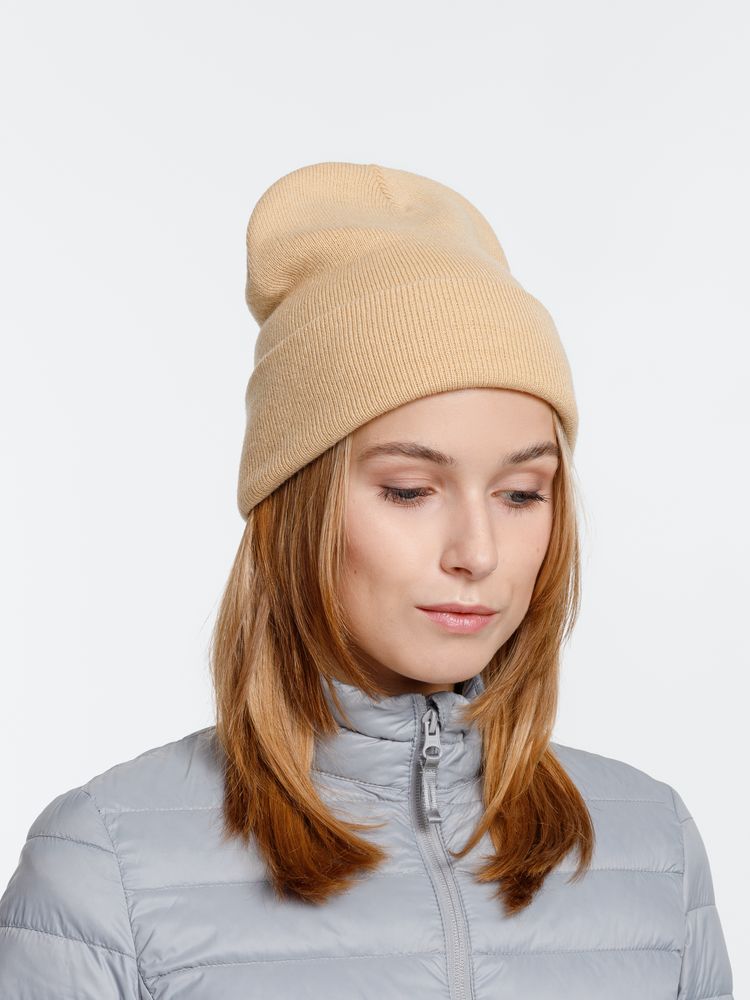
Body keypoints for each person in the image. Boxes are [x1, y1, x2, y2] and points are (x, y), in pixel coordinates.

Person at [0, 161, 734, 999]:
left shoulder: (655, 846)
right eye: (410, 490)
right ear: (296, 508)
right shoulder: (105, 867)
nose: (478, 551)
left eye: (522, 493)